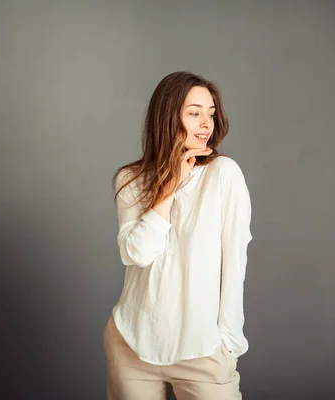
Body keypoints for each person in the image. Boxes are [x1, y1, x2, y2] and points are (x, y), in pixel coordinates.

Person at [103, 71, 253, 400]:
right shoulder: (131, 179)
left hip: (202, 348)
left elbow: (234, 262)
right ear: (169, 116)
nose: (205, 124)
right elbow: (136, 253)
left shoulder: (223, 175)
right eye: (194, 113)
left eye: (210, 114)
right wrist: (168, 190)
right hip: (132, 345)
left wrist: (228, 343)